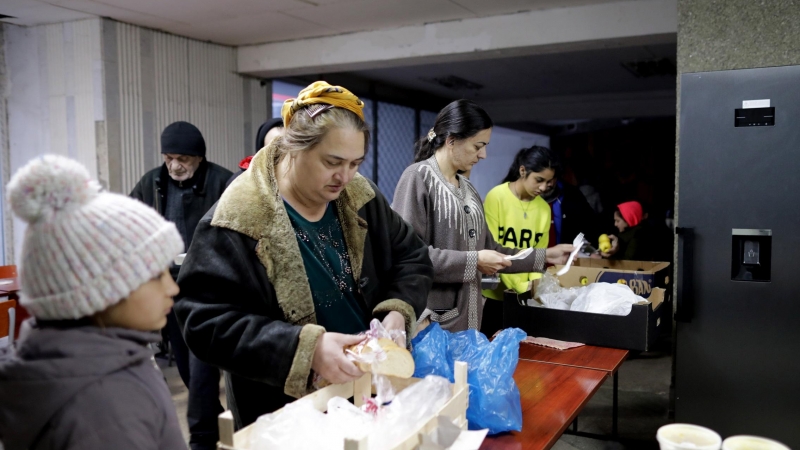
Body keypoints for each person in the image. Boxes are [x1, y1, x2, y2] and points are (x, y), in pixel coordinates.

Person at [174, 81, 432, 429]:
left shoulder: (360, 197)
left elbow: (411, 256)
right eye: (332, 162)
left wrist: (397, 312)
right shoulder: (239, 218)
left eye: (355, 163)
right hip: (284, 408)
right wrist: (305, 349)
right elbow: (203, 322)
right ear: (294, 146)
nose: (344, 176)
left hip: (365, 390)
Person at [0, 155, 186, 450]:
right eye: (155, 275)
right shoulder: (106, 408)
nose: (172, 288)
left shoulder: (109, 366)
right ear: (99, 293)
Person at [392, 99, 574, 332]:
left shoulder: (468, 189)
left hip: (469, 324)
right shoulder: (417, 178)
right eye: (478, 146)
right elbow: (409, 257)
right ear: (452, 140)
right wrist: (474, 260)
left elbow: (493, 250)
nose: (483, 155)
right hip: (432, 326)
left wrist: (547, 255)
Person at [130, 121, 231, 450]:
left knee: (202, 373)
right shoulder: (152, 182)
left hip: (208, 291)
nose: (175, 165)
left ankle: (202, 440)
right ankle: (213, 426)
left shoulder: (223, 181)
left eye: (183, 159)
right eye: (169, 157)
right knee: (189, 371)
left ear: (199, 158)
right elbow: (131, 221)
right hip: (167, 290)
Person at [480, 145, 560, 337]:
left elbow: (539, 255)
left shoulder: (543, 209)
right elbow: (494, 250)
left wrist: (534, 288)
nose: (543, 187)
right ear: (522, 171)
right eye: (539, 180)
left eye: (548, 182)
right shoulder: (496, 197)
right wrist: (522, 288)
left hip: (525, 298)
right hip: (496, 296)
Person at [227, 118, 284, 186]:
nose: (280, 154)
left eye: (285, 147)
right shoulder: (240, 182)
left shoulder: (298, 179)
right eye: (272, 149)